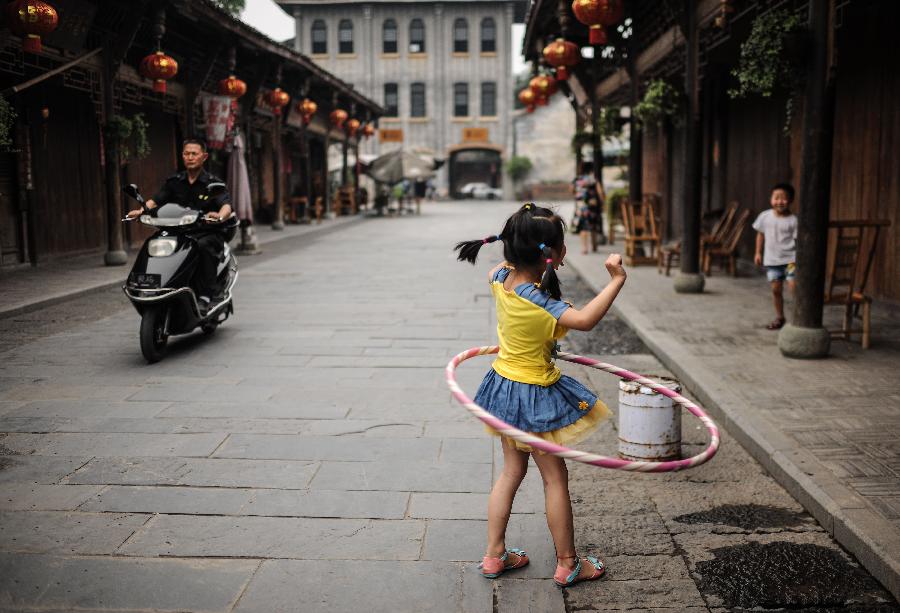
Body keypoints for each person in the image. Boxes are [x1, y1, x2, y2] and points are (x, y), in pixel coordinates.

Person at [454, 202, 627, 588]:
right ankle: (568, 563)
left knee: (511, 472)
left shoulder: (499, 276)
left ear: (510, 248)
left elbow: (507, 267)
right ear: (556, 254)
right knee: (554, 479)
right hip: (534, 395)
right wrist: (616, 280)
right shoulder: (541, 302)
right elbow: (584, 320)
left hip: (503, 387)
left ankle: (494, 555)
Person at [127, 139, 232, 312]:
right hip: (177, 231)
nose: (190, 157)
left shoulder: (212, 183)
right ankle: (150, 284)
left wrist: (220, 216)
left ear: (204, 157)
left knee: (203, 247)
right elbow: (156, 200)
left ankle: (205, 295)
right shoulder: (174, 181)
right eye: (186, 154)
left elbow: (226, 205)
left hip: (204, 231)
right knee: (154, 242)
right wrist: (141, 211)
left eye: (194, 154)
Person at [752, 182, 798, 330]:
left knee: (794, 287)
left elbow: (798, 241)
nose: (779, 201)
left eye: (784, 198)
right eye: (776, 198)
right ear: (771, 199)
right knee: (776, 290)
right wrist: (758, 252)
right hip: (772, 260)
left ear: (790, 200)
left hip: (791, 260)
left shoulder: (793, 220)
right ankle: (780, 317)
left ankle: (798, 317)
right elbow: (760, 235)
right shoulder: (765, 216)